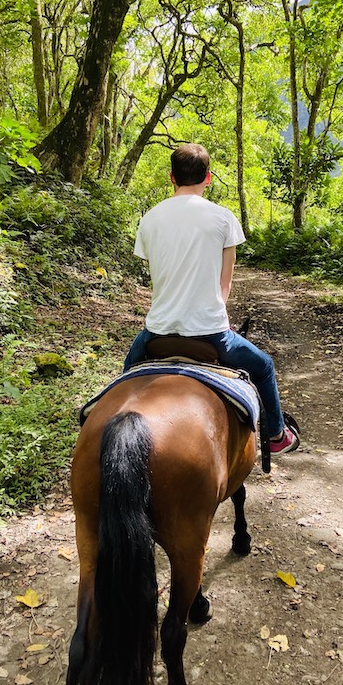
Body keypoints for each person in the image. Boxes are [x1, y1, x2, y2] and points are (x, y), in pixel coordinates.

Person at [124, 142, 299, 454]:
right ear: (208, 177)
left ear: (171, 177)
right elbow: (225, 284)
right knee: (264, 366)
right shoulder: (223, 218)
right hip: (210, 332)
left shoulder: (149, 219)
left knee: (125, 377)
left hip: (158, 331)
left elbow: (160, 273)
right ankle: (276, 436)